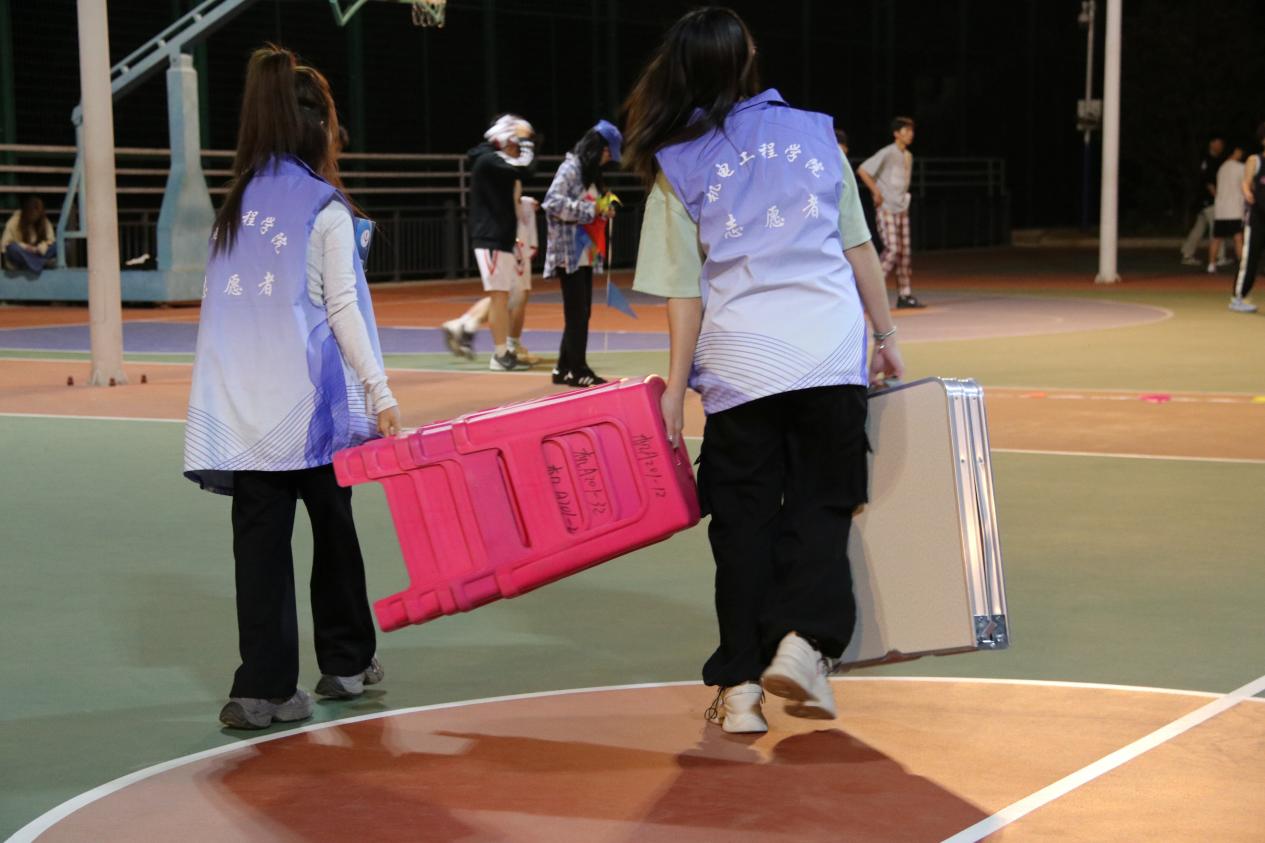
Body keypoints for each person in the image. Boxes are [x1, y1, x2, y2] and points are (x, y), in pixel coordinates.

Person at [623, 7, 904, 734]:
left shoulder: (677, 162)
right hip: (827, 351)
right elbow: (858, 248)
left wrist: (676, 388)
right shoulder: (816, 134)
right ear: (748, 56)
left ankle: (741, 688)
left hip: (741, 363)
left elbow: (684, 292)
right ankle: (805, 643)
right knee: (822, 504)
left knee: (742, 523)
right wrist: (885, 335)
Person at [182, 45, 399, 730]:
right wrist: (381, 393)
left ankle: (261, 687)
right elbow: (342, 310)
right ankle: (346, 660)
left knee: (259, 547)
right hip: (311, 415)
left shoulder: (235, 206)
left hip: (245, 415)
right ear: (319, 128)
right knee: (334, 529)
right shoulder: (322, 208)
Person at [542, 120, 623, 387]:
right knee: (577, 313)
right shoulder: (571, 168)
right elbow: (552, 203)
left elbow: (596, 203)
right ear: (597, 148)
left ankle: (563, 367)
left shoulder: (590, 174)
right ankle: (578, 369)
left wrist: (605, 207)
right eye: (608, 153)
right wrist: (591, 210)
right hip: (569, 252)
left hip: (585, 252)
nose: (608, 159)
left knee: (581, 312)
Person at [466, 114, 538, 371]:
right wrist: (526, 142)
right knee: (498, 297)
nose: (518, 150)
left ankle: (505, 350)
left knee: (503, 296)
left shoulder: (493, 160)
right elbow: (526, 169)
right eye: (516, 144)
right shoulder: (489, 160)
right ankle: (499, 354)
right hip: (491, 238)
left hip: (500, 238)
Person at [442, 195, 542, 363]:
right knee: (513, 293)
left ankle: (464, 324)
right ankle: (509, 345)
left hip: (509, 228)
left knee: (511, 293)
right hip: (506, 234)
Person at [858, 117, 923, 308]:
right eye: (906, 130)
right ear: (896, 134)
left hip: (902, 208)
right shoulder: (888, 152)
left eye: (911, 131)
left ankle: (905, 294)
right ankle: (870, 290)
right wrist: (876, 192)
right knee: (893, 249)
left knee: (904, 254)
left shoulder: (908, 156)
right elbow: (863, 170)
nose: (910, 134)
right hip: (886, 208)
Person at [1231, 123, 1265, 313]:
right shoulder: (1255, 160)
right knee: (1250, 259)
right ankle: (1238, 298)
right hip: (1257, 218)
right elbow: (1246, 182)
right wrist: (1247, 192)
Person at [1181, 136, 1226, 267]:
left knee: (1199, 228)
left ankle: (1187, 253)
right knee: (1217, 228)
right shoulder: (1208, 160)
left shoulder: (1214, 160)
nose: (1221, 146)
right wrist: (1217, 197)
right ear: (1211, 143)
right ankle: (1219, 256)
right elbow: (1208, 182)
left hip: (1202, 201)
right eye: (1219, 143)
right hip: (1208, 200)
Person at [1208, 145, 1246, 274]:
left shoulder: (1221, 168)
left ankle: (1211, 264)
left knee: (1217, 238)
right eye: (1240, 151)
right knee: (1238, 237)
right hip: (1235, 209)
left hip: (1221, 209)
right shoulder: (1240, 167)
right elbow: (1246, 185)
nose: (1241, 154)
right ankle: (1243, 265)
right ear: (1236, 152)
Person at [1, 195, 57, 274]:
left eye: (37, 215)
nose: (34, 218)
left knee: (57, 246)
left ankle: (33, 263)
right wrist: (25, 247)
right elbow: (5, 244)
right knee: (12, 249)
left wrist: (41, 247)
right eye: (32, 215)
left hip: (38, 253)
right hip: (22, 253)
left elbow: (51, 240)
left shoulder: (44, 222)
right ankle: (41, 263)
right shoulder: (15, 221)